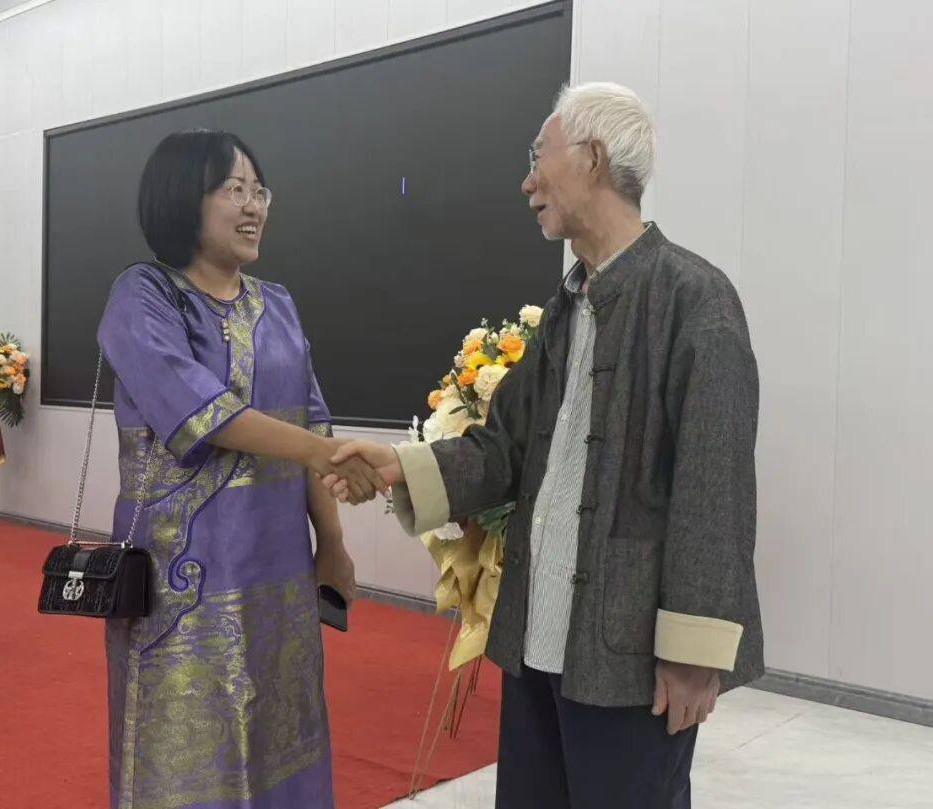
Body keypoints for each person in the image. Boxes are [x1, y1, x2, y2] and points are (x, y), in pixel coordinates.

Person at [326, 83, 764, 808]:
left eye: (538, 158)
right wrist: (398, 467)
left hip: (628, 658)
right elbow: (502, 450)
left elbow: (714, 486)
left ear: (592, 159)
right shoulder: (567, 308)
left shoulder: (694, 298)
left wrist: (693, 653)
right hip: (537, 640)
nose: (527, 182)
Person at [97, 129, 384, 809]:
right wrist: (316, 451)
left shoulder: (276, 302)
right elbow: (203, 412)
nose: (253, 206)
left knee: (283, 734)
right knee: (190, 754)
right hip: (182, 582)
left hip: (279, 571)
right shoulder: (143, 295)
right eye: (235, 189)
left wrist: (332, 543)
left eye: (260, 191)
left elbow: (313, 422)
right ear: (183, 198)